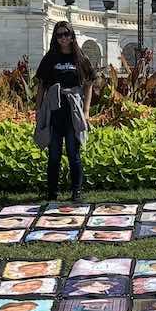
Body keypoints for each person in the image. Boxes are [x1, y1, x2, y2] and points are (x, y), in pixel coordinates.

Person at [33, 21, 95, 202]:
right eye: (59, 35)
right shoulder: (50, 58)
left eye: (66, 34)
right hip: (54, 108)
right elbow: (41, 86)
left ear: (72, 36)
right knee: (54, 153)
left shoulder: (80, 57)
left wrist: (86, 110)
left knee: (73, 152)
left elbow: (89, 83)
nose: (63, 38)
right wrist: (38, 110)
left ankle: (76, 191)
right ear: (55, 37)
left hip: (72, 109)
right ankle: (52, 191)